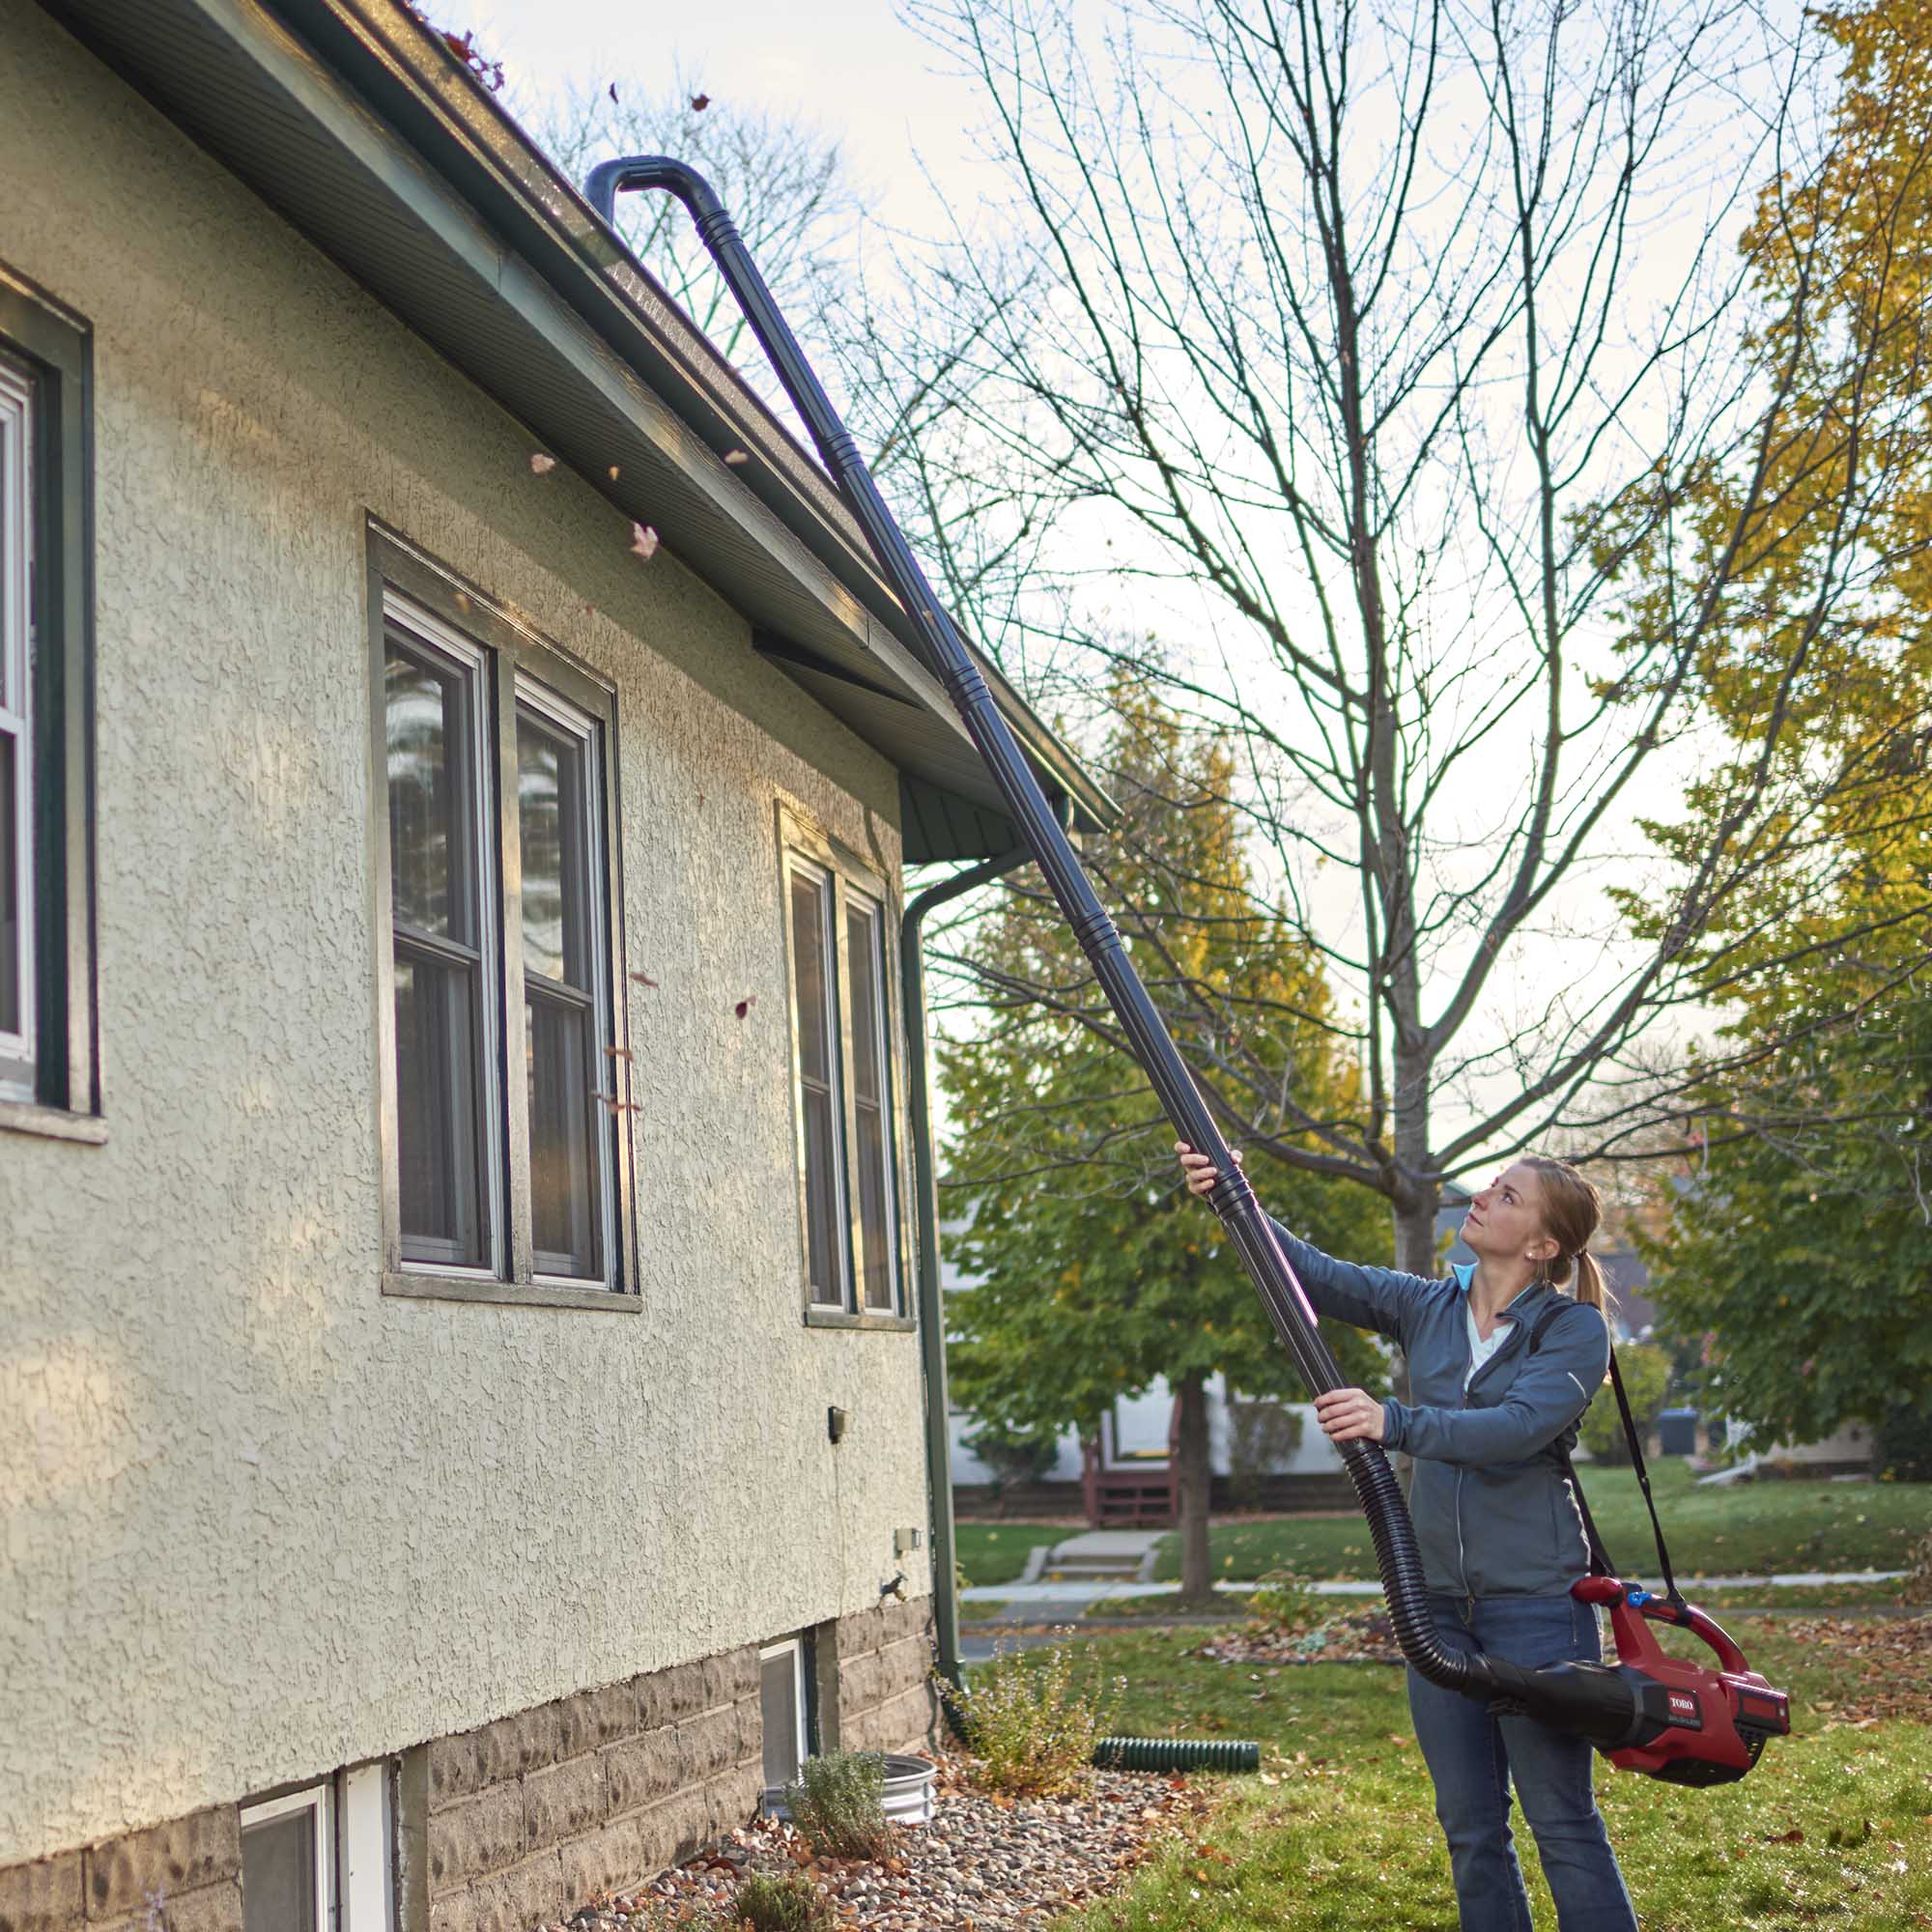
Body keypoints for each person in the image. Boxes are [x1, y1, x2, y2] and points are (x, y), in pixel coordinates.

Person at [1177, 1142, 1638, 1932]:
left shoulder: (1572, 1332)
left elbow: (1516, 1430)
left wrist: (1394, 1421)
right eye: (1492, 1185)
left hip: (1536, 1608)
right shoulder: (1425, 1306)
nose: (1485, 1196)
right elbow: (1309, 1272)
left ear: (1543, 1246)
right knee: (1471, 1830)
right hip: (1436, 1609)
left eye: (1509, 1195)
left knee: (1560, 1822)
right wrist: (1233, 1191)